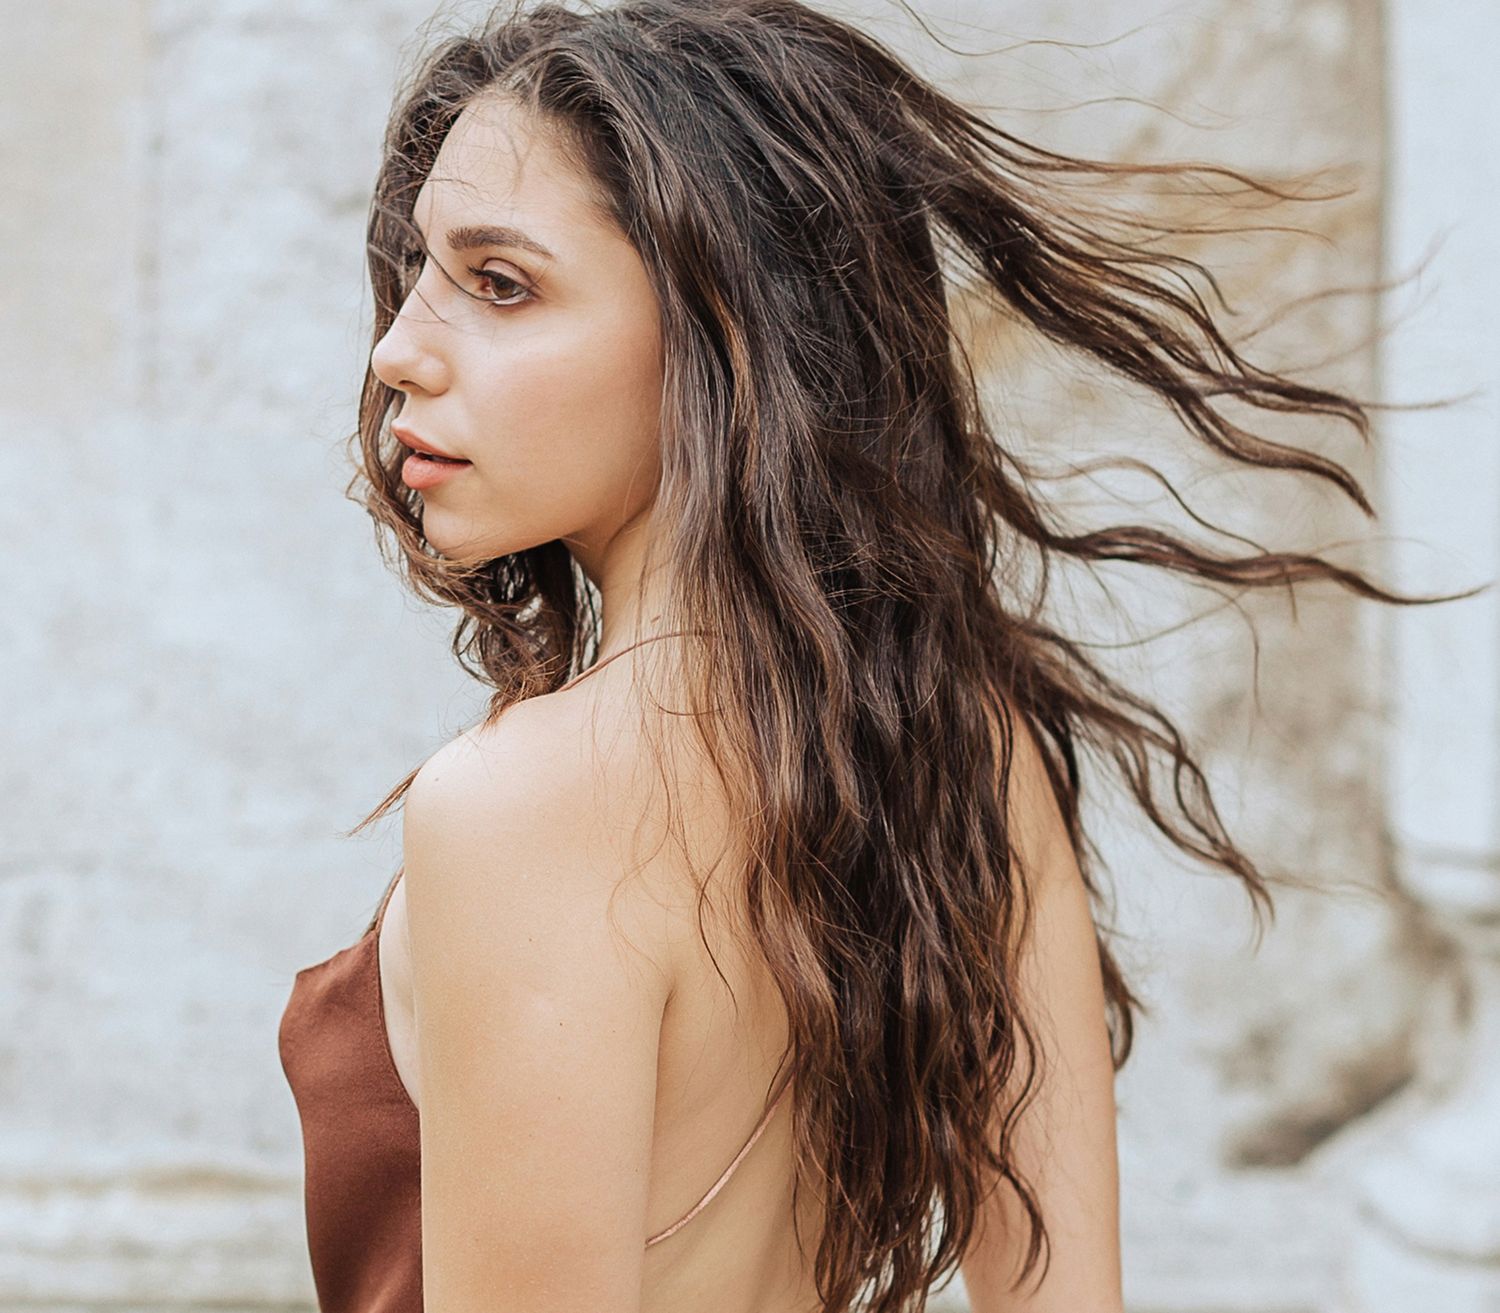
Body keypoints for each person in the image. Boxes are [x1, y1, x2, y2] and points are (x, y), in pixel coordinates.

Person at [277, 1, 1457, 1310]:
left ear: (722, 332)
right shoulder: (965, 739)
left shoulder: (519, 806)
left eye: (501, 283)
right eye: (420, 270)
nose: (399, 350)